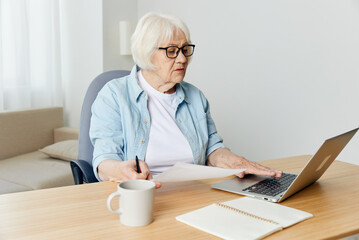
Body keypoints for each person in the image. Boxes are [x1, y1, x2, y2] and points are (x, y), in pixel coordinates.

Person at [89, 12, 282, 188]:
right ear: (147, 52)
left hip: (194, 194)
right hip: (143, 197)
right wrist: (120, 170)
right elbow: (104, 160)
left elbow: (212, 150)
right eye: (172, 51)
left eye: (185, 49)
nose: (182, 59)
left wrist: (239, 163)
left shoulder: (195, 97)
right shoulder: (114, 95)